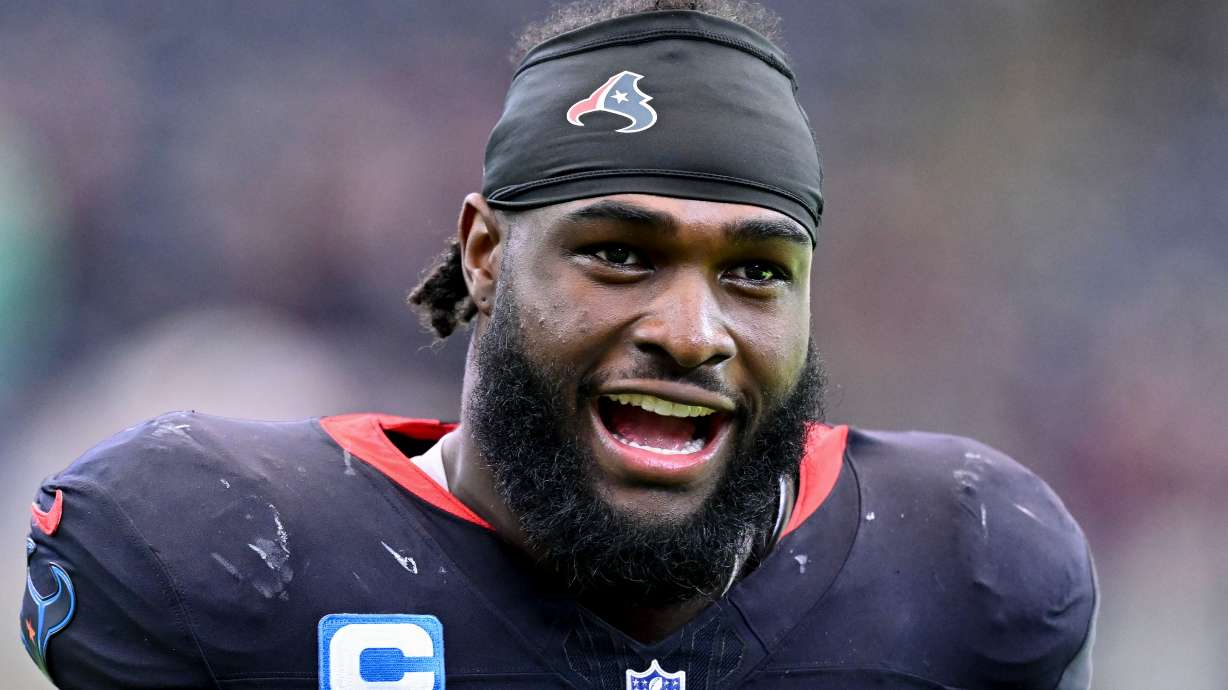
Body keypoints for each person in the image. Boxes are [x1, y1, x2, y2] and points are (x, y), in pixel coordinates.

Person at [20, 1, 1096, 688]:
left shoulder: (965, 574)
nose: (691, 332)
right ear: (482, 256)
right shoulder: (222, 561)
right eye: (621, 256)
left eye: (755, 272)